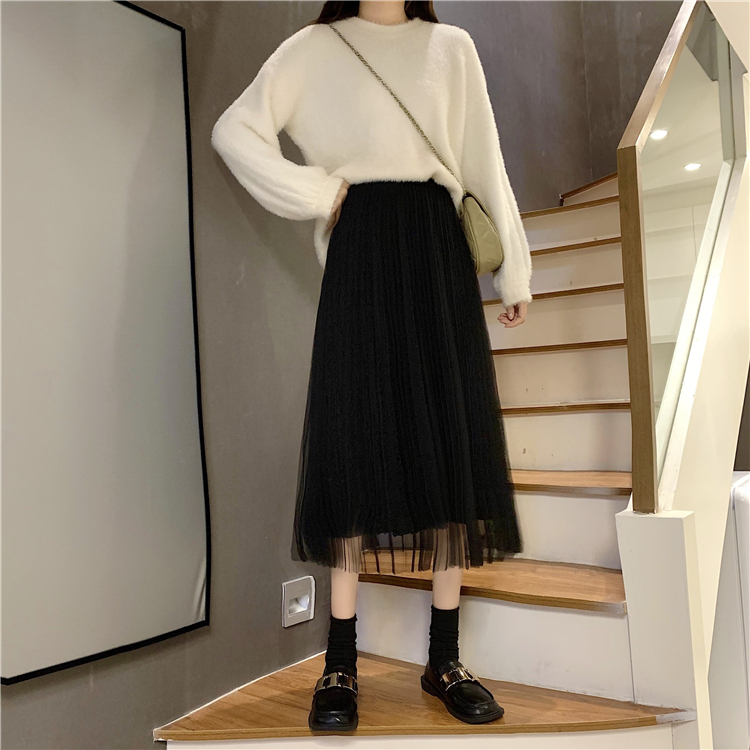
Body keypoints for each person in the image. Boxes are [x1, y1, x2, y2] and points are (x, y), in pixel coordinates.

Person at [211, 0, 532, 732]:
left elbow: (483, 159)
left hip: (437, 245)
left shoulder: (451, 47)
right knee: (352, 441)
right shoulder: (312, 48)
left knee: (449, 440)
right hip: (360, 251)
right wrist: (321, 194)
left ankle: (444, 658)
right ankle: (340, 661)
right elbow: (235, 130)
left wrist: (512, 270)